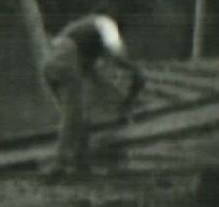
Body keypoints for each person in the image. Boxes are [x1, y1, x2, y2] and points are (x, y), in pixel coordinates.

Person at [39, 13, 145, 177]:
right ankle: (59, 165)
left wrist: (118, 96)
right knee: (72, 117)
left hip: (51, 64)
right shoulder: (107, 23)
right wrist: (134, 70)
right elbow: (116, 54)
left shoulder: (83, 36)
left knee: (79, 115)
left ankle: (81, 164)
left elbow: (96, 77)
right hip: (64, 60)